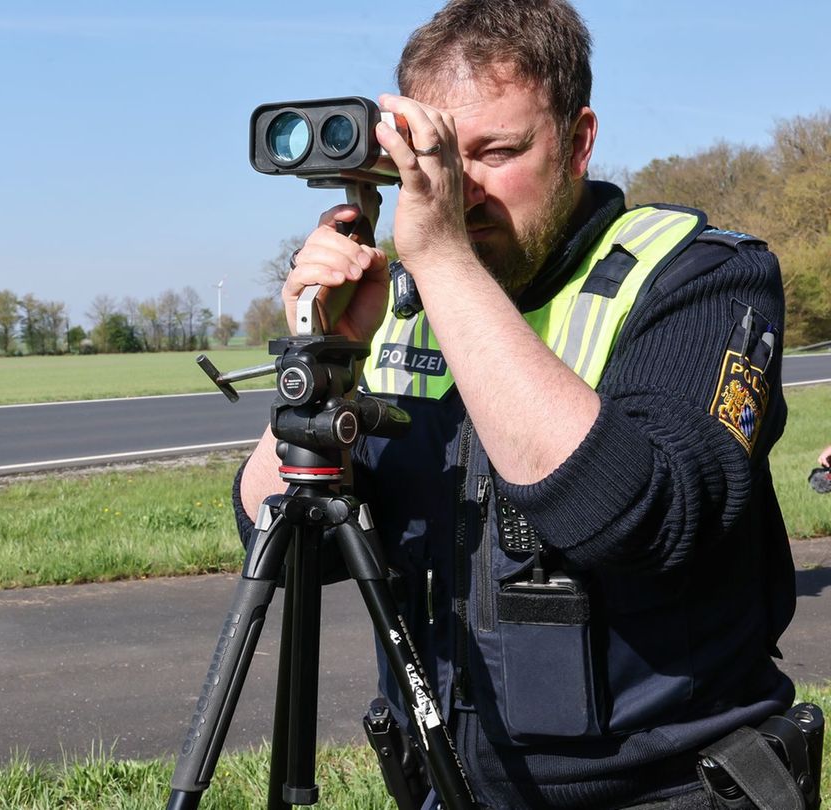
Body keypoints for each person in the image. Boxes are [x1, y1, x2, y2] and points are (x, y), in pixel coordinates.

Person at [232, 1, 797, 807]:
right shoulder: (400, 303)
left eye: (496, 152)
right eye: (439, 158)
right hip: (441, 779)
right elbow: (281, 542)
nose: (461, 192)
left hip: (665, 788)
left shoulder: (700, 279)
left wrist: (439, 259)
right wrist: (329, 360)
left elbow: (645, 518)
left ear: (579, 139)